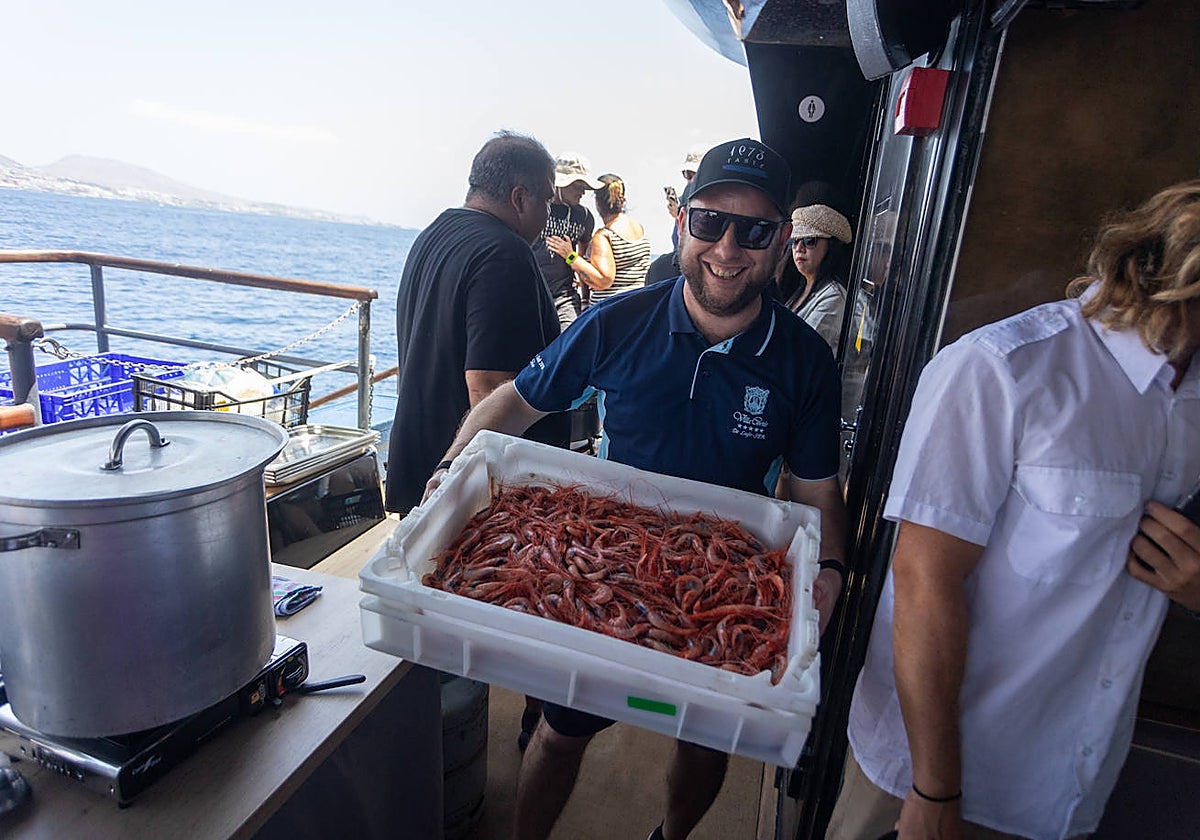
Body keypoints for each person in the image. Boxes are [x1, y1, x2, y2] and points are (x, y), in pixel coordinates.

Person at [425, 138, 849, 840]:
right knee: (561, 734)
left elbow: (817, 495)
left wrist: (831, 569)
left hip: (728, 572)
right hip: (607, 569)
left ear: (780, 242)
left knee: (703, 741)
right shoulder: (617, 321)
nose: (728, 248)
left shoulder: (804, 362)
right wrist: (450, 466)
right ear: (682, 221)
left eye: (756, 230)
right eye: (711, 221)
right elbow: (514, 402)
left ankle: (671, 837)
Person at [825, 180, 1200, 840]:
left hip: (1069, 784)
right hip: (930, 772)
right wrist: (934, 788)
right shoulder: (1003, 369)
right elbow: (922, 581)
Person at [384, 130, 568, 516]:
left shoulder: (435, 233)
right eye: (547, 200)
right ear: (520, 197)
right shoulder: (505, 254)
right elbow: (487, 387)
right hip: (462, 488)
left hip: (421, 462)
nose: (549, 215)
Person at [547, 173, 650, 305]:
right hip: (639, 303)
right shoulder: (638, 228)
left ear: (597, 202)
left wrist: (570, 256)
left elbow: (603, 280)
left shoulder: (605, 236)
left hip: (612, 310)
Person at [536, 153, 602, 329]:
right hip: (531, 296)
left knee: (569, 348)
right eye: (577, 186)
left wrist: (586, 299)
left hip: (564, 298)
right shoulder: (535, 209)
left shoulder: (585, 217)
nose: (583, 192)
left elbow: (582, 258)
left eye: (585, 187)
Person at [784, 203, 852, 350]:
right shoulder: (804, 289)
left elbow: (802, 352)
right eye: (794, 241)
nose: (799, 249)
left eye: (809, 241)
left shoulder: (833, 297)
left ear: (831, 246)